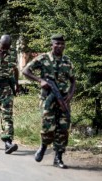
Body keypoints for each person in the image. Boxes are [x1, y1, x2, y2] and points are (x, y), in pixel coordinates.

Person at [22, 34, 76, 168]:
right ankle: (43, 147)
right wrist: (40, 80)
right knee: (47, 126)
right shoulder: (43, 58)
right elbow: (25, 71)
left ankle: (58, 157)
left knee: (63, 128)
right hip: (48, 98)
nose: (59, 46)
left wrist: (70, 95)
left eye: (62, 44)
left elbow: (73, 80)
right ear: (52, 44)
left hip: (63, 99)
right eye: (57, 43)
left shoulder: (67, 61)